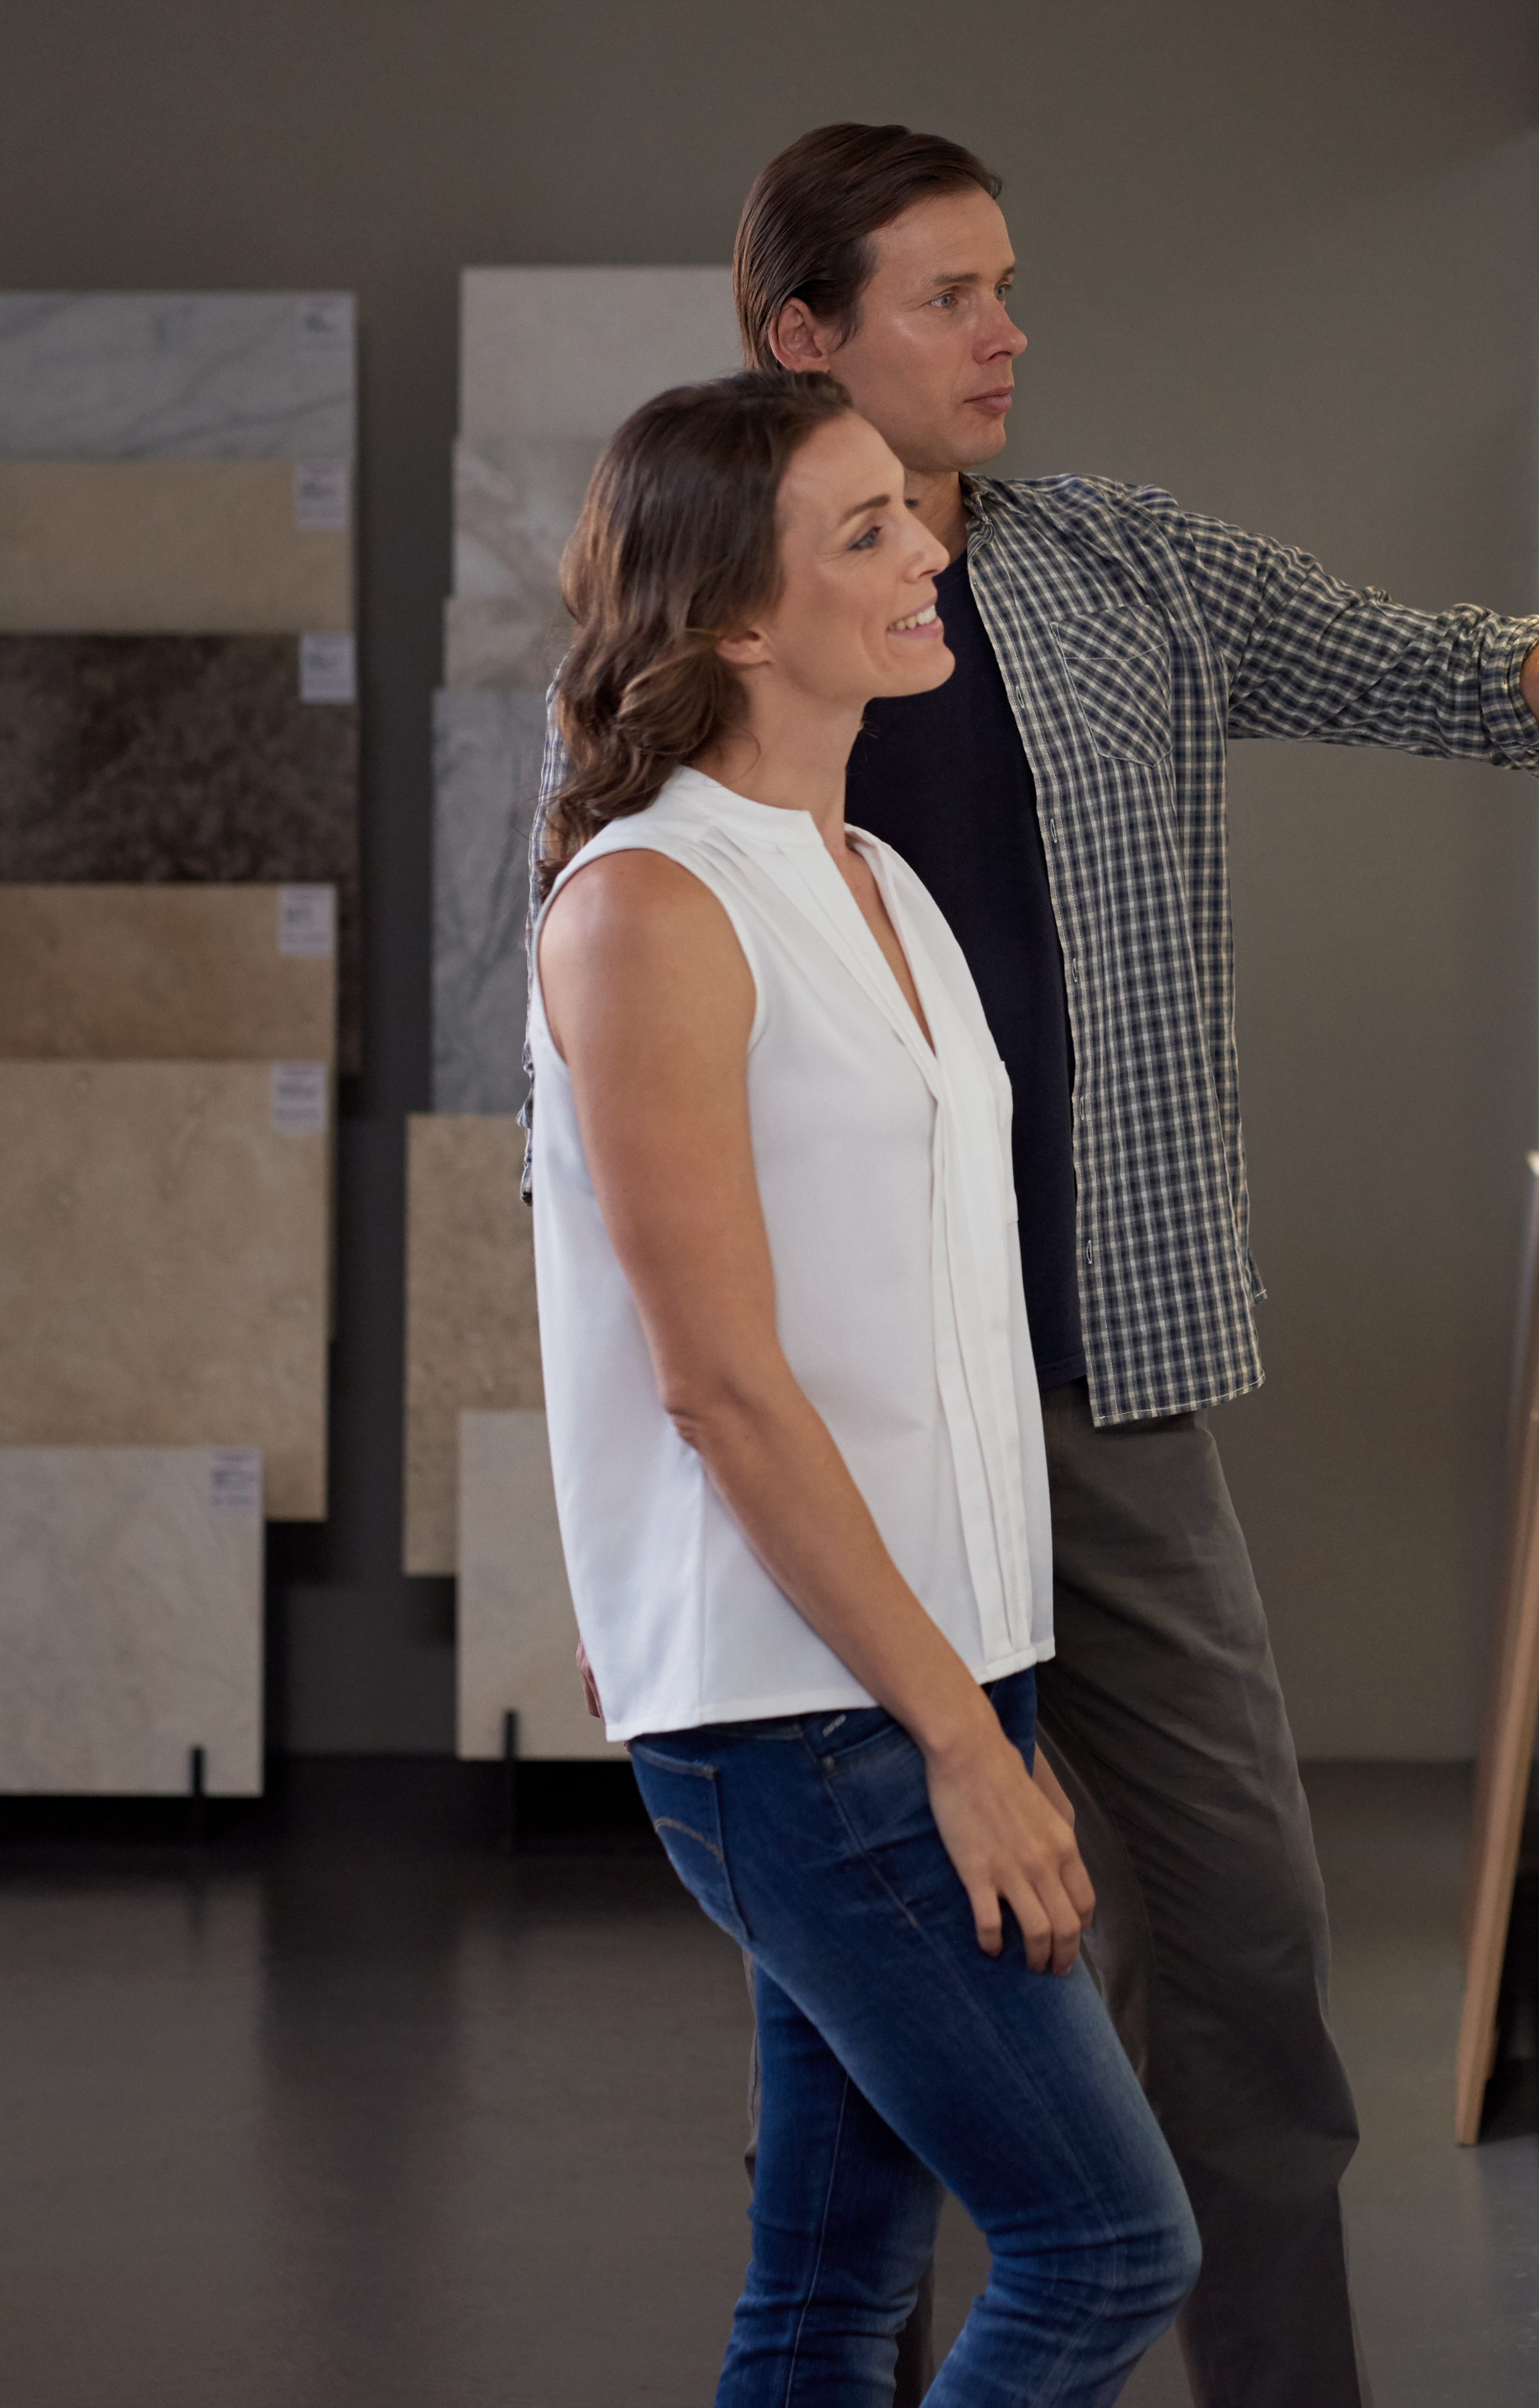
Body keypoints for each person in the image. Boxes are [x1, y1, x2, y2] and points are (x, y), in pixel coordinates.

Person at [547, 123, 1539, 2408]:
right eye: (947, 298)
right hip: (837, 1458)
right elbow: (639, 1231)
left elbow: (1420, 664)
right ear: (803, 341)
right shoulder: (679, 819)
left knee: (1232, 1972)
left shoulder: (1116, 574)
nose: (1008, 333)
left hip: (1100, 1398)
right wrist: (659, 1560)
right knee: (870, 2112)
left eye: (1010, 284)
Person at [530, 367, 1197, 2407]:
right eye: (868, 534)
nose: (931, 557)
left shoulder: (877, 881)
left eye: (914, 519)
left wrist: (990, 1694)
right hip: (820, 1716)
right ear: (738, 615)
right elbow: (718, 1384)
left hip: (914, 1672)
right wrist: (958, 1742)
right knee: (1104, 2247)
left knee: (827, 2300)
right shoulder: (655, 906)